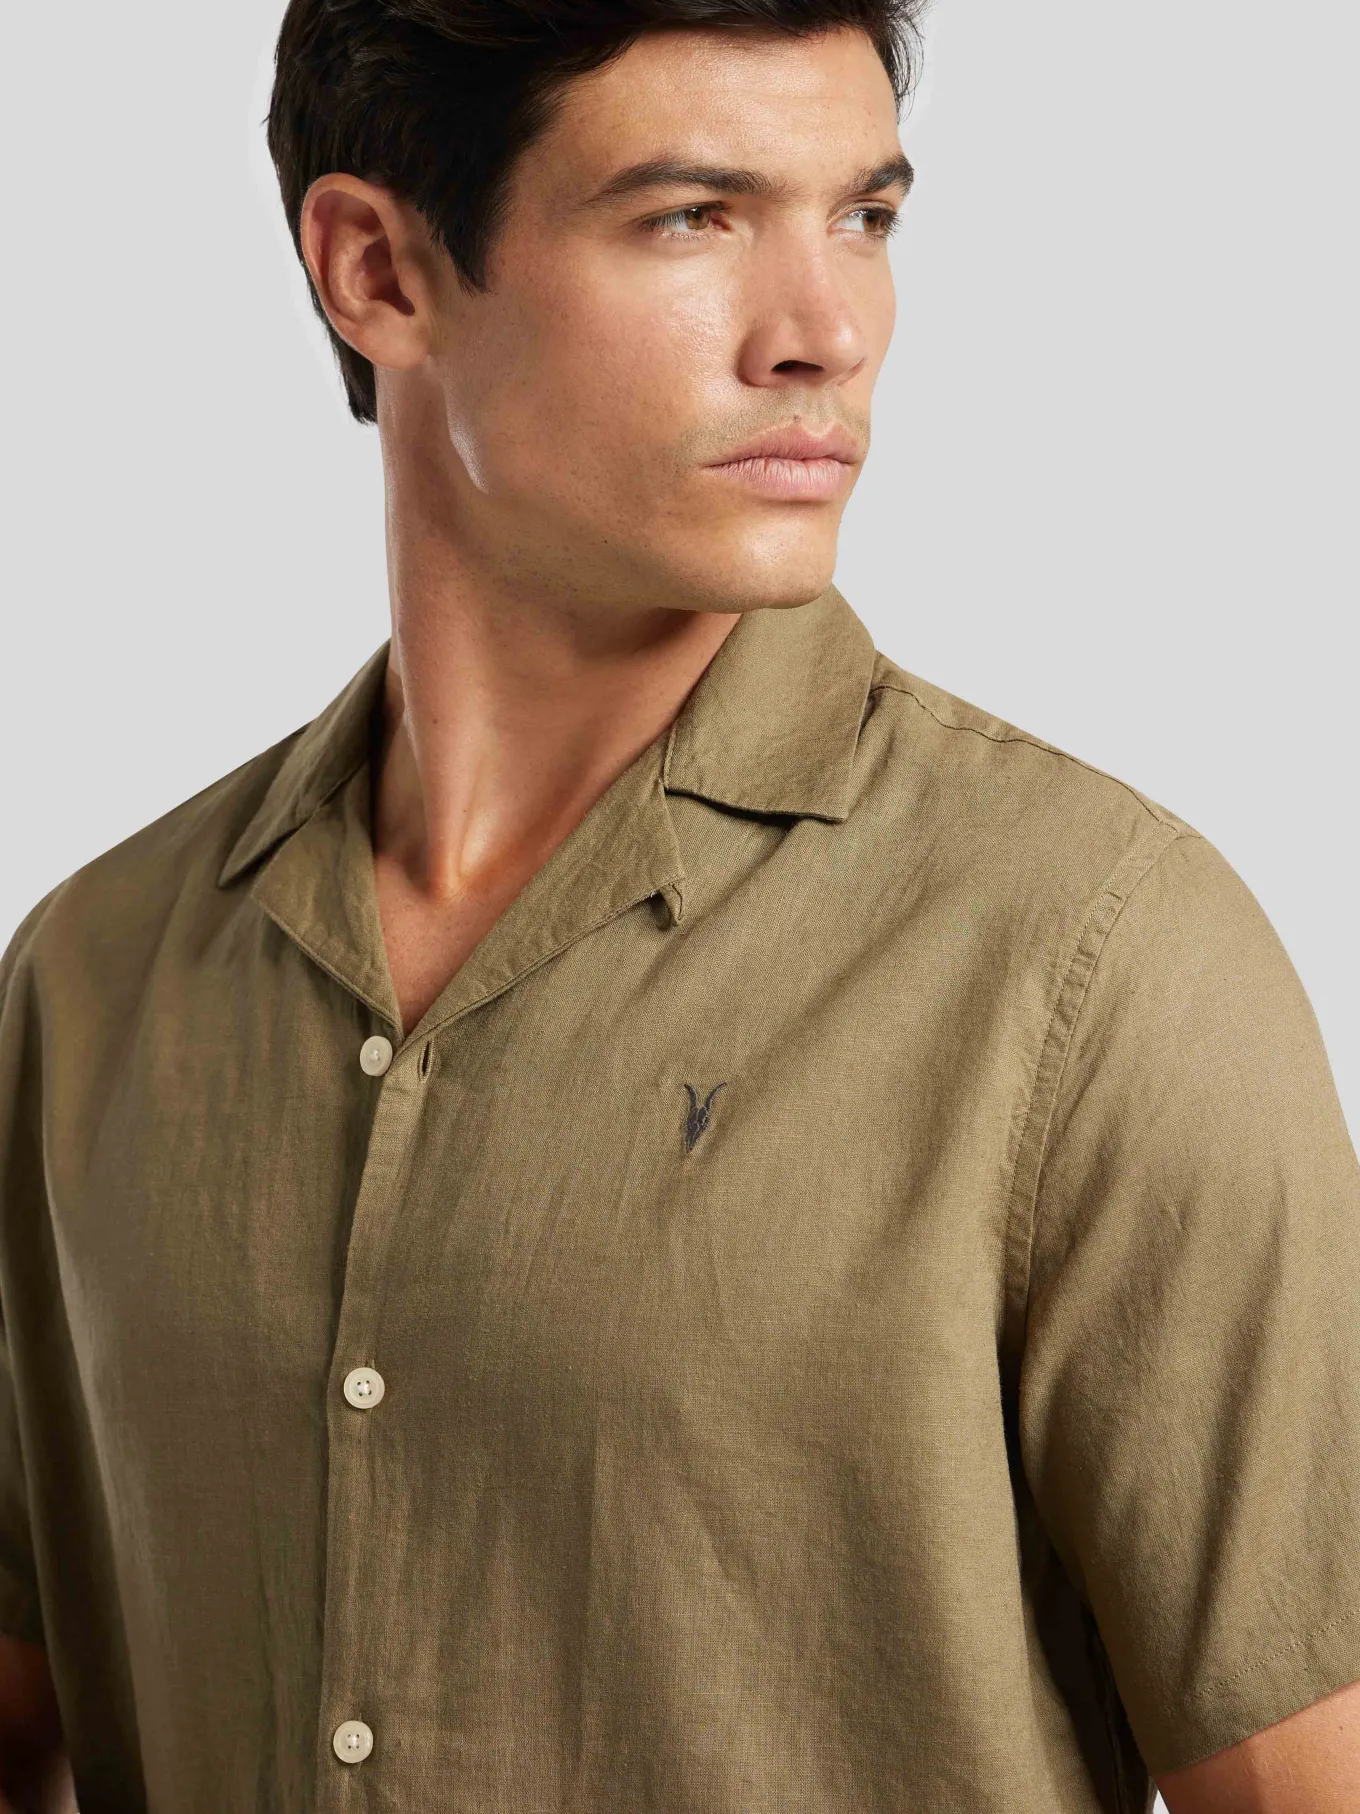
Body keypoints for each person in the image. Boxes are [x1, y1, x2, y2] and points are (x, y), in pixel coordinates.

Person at [1, 1, 1358, 1808]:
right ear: (377, 270)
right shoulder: (93, 979)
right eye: (692, 216)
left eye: (864, 216)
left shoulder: (1096, 961)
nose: (827, 332)